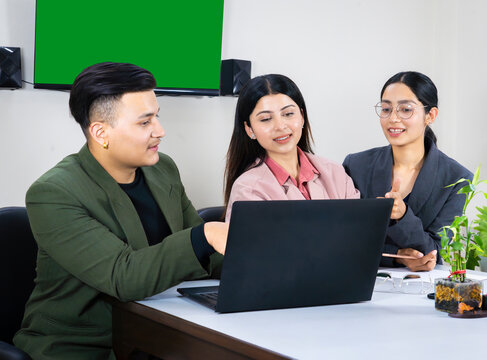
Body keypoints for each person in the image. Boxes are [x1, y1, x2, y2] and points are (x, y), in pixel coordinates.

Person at [13, 62, 228, 359]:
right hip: (83, 348)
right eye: (145, 122)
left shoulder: (163, 169)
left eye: (157, 117)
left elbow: (206, 253)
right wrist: (205, 235)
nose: (160, 131)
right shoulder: (53, 193)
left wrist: (260, 257)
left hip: (157, 332)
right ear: (101, 132)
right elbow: (122, 277)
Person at [343, 71, 472, 272]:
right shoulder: (356, 165)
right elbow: (345, 240)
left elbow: (435, 253)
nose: (393, 118)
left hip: (421, 293)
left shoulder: (457, 179)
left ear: (430, 115)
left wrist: (403, 217)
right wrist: (398, 258)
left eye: (405, 109)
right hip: (359, 282)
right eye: (386, 109)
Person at [224, 74, 359, 221]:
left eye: (288, 114)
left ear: (302, 116)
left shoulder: (335, 172)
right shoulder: (248, 190)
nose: (280, 126)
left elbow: (358, 230)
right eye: (266, 119)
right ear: (249, 129)